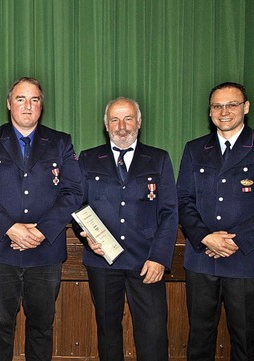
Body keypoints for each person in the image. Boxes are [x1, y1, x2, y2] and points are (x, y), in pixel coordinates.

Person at [0, 77, 83, 361]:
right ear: (9, 104)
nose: (27, 106)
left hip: (45, 252)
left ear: (42, 105)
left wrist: (42, 231)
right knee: (0, 327)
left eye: (34, 100)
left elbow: (73, 191)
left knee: (42, 327)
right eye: (20, 99)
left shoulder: (60, 142)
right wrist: (10, 228)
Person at [76, 97, 178, 361]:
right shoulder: (88, 159)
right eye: (115, 119)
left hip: (146, 262)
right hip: (103, 261)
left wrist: (159, 258)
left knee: (153, 334)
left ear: (139, 122)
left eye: (128, 118)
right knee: (108, 332)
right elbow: (76, 205)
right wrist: (87, 238)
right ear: (106, 125)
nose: (122, 126)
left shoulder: (158, 159)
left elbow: (169, 212)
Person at [178, 82, 253, 360]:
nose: (224, 111)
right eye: (217, 106)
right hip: (202, 258)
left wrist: (238, 240)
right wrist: (205, 237)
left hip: (245, 260)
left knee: (246, 340)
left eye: (232, 104)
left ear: (245, 108)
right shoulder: (195, 149)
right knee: (199, 339)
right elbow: (183, 199)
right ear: (210, 112)